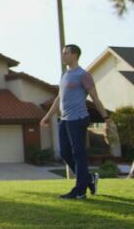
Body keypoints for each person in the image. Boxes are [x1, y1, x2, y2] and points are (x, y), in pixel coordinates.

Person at [41, 44, 110, 200]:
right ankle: (88, 179)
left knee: (79, 154)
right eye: (63, 53)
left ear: (75, 55)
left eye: (66, 53)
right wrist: (47, 116)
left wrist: (106, 117)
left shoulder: (83, 75)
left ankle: (80, 191)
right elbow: (59, 98)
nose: (63, 56)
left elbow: (95, 98)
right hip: (65, 119)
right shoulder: (65, 75)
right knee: (65, 152)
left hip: (78, 119)